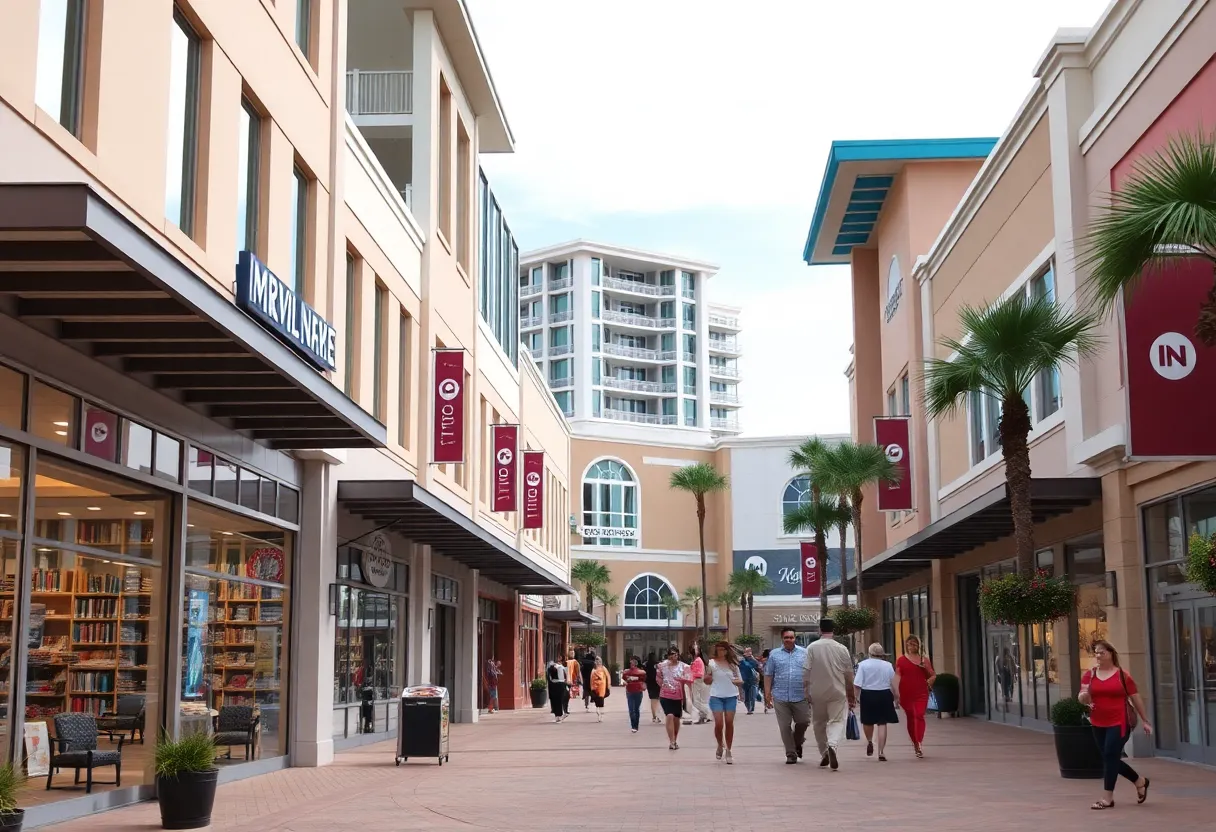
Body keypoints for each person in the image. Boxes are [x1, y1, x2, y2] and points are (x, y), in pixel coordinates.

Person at [1079, 640, 1153, 810]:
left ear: (1111, 654)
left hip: (1119, 721)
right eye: (1096, 652)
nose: (1098, 655)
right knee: (1109, 758)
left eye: (1102, 652)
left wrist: (1145, 721)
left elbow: (1136, 698)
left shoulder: (1122, 676)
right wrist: (1083, 698)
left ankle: (1107, 798)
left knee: (1111, 755)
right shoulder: (1089, 675)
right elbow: (1083, 693)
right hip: (1097, 721)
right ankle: (1140, 781)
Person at [804, 617, 856, 771]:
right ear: (833, 631)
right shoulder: (842, 648)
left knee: (819, 723)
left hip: (817, 691)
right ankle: (832, 744)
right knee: (836, 720)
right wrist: (851, 694)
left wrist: (806, 690)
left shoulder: (812, 647)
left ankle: (824, 752)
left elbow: (806, 671)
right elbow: (848, 673)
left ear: (819, 630)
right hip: (837, 690)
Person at [764, 628, 810, 764]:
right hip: (780, 696)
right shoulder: (774, 655)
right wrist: (767, 694)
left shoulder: (805, 653)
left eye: (791, 637)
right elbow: (768, 675)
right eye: (786, 638)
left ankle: (797, 743)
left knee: (804, 722)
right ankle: (791, 754)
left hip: (800, 695)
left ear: (795, 638)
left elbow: (810, 673)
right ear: (782, 639)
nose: (788, 640)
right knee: (784, 726)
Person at [854, 642, 898, 761]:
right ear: (882, 654)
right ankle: (881, 752)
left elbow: (857, 684)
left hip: (868, 694)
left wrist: (855, 698)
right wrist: (896, 695)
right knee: (882, 723)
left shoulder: (863, 665)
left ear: (869, 653)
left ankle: (869, 741)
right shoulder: (888, 665)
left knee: (867, 722)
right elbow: (893, 682)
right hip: (884, 694)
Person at [895, 634, 936, 758]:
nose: (910, 646)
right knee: (911, 718)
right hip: (906, 693)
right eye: (908, 643)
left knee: (919, 715)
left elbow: (933, 675)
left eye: (913, 643)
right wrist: (896, 693)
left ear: (918, 645)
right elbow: (897, 676)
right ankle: (915, 743)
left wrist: (929, 681)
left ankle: (919, 742)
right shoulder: (901, 660)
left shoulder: (924, 660)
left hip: (921, 693)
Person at [704, 640, 743, 764]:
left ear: (727, 651)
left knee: (729, 722)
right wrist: (707, 678)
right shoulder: (711, 663)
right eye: (719, 649)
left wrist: (736, 681)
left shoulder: (733, 664)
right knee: (719, 723)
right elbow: (707, 680)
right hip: (716, 696)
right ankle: (720, 745)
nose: (721, 652)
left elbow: (740, 680)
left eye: (723, 649)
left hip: (731, 695)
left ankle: (729, 750)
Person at [656, 647, 690, 750]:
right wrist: (664, 685)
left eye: (674, 654)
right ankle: (672, 741)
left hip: (678, 696)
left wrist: (682, 680)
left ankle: (675, 738)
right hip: (665, 695)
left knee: (676, 718)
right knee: (669, 715)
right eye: (670, 654)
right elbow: (658, 678)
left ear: (678, 654)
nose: (672, 656)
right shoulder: (662, 666)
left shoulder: (684, 666)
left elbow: (689, 678)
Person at [622, 656, 648, 732]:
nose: (631, 663)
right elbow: (644, 678)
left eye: (633, 662)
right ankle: (634, 726)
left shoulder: (628, 672)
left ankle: (635, 726)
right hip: (634, 691)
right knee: (634, 709)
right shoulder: (641, 672)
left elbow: (624, 679)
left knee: (633, 709)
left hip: (633, 691)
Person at [688, 645, 710, 724]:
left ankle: (706, 712)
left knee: (696, 700)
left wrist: (691, 675)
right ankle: (703, 716)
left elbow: (699, 673)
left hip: (697, 681)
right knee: (697, 699)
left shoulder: (697, 660)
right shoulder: (697, 660)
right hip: (697, 681)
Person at [545, 658, 569, 723]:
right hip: (561, 684)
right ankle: (561, 715)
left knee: (555, 701)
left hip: (554, 685)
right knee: (561, 700)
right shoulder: (562, 668)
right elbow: (566, 676)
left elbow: (549, 678)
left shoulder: (551, 668)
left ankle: (558, 716)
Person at [739, 647, 760, 715]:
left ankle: (750, 708)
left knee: (752, 695)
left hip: (752, 680)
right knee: (746, 696)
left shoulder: (753, 660)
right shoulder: (741, 661)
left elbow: (757, 665)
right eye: (747, 651)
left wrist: (752, 658)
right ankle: (749, 708)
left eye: (749, 651)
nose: (748, 653)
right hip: (744, 680)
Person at [589, 656, 610, 722]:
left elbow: (608, 677)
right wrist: (591, 687)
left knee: (601, 700)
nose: (597, 662)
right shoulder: (593, 669)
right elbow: (591, 679)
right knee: (596, 700)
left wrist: (608, 686)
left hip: (602, 687)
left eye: (599, 661)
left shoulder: (603, 668)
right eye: (596, 661)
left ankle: (601, 714)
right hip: (594, 688)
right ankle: (598, 711)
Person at [644, 652, 662, 724]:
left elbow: (645, 675)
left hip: (650, 684)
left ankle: (654, 716)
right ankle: (657, 716)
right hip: (658, 684)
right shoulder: (658, 664)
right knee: (658, 700)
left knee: (653, 700)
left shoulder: (646, 664)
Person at [565, 649, 581, 716]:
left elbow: (577, 670)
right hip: (571, 676)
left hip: (572, 676)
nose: (572, 654)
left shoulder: (573, 662)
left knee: (573, 686)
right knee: (571, 686)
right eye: (571, 653)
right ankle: (572, 694)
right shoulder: (571, 662)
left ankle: (573, 694)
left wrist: (577, 675)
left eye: (573, 653)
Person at [759, 649, 772, 713]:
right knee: (767, 691)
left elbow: (760, 669)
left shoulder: (770, 660)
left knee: (767, 691)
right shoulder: (765, 661)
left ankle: (768, 704)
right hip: (766, 678)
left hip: (767, 678)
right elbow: (761, 669)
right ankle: (767, 704)